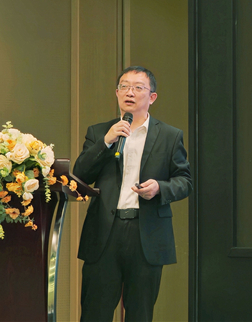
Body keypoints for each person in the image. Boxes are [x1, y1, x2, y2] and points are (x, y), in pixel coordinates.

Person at [73, 66, 192, 322]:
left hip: (146, 233)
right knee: (94, 312)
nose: (130, 92)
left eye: (138, 87)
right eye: (124, 86)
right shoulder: (99, 132)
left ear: (152, 97)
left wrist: (159, 188)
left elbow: (185, 181)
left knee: (140, 314)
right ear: (117, 93)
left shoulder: (170, 136)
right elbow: (80, 175)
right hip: (105, 231)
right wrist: (106, 141)